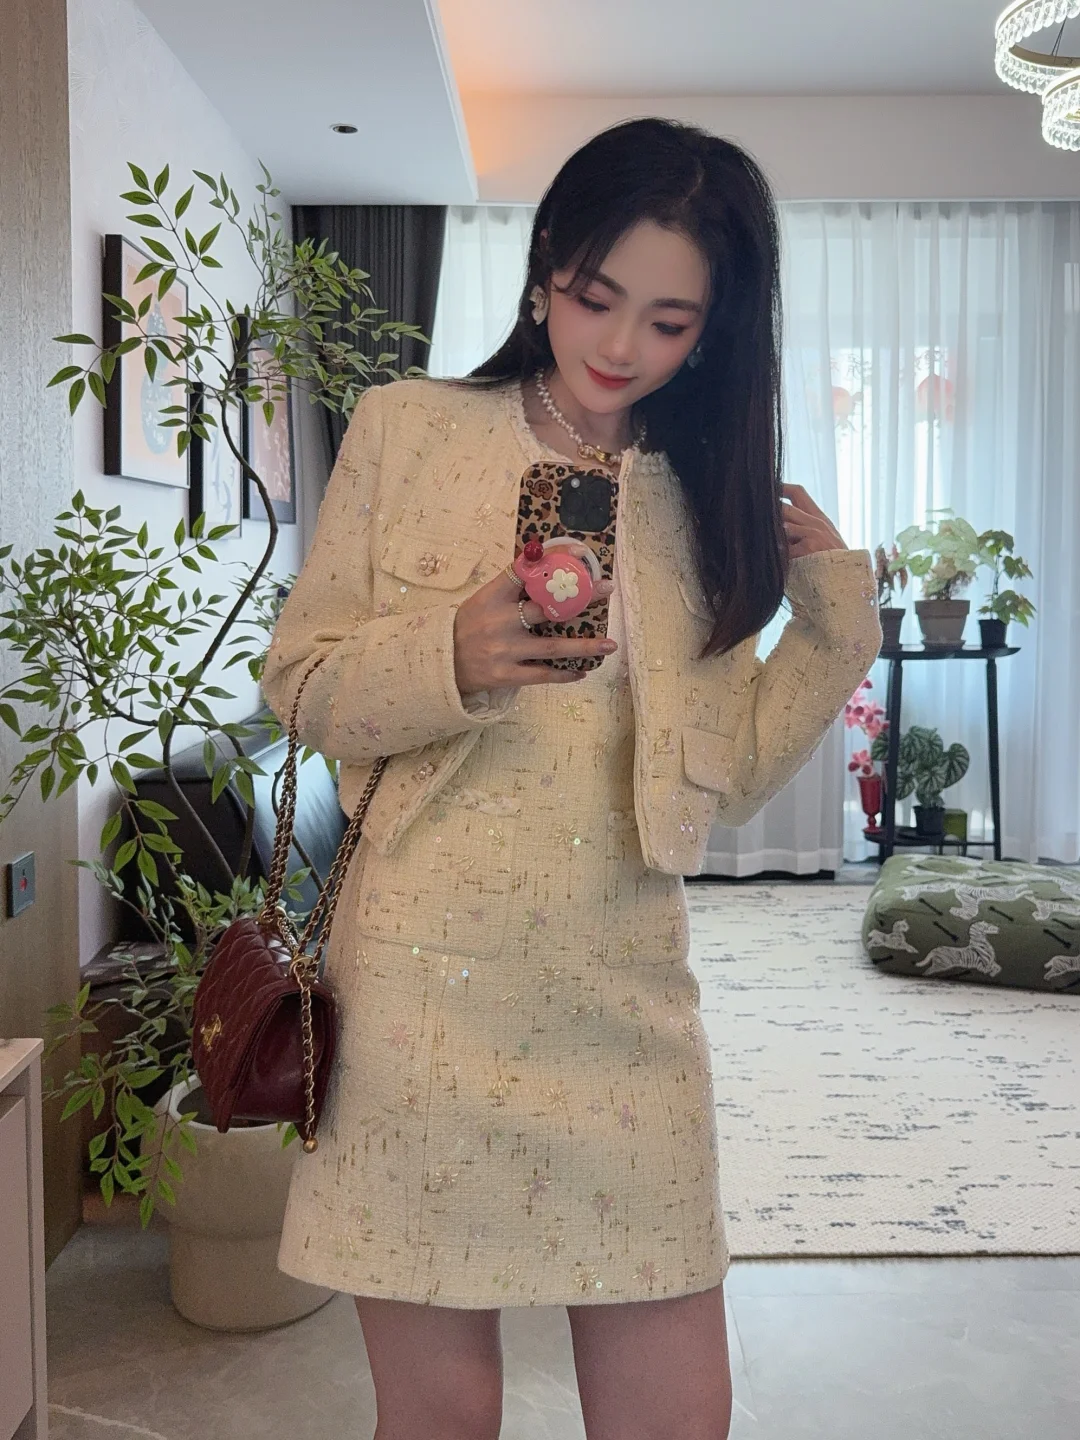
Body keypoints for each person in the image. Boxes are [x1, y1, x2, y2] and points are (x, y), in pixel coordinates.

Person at [262, 116, 882, 1440]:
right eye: (598, 296)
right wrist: (448, 655)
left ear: (713, 331)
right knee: (440, 1418)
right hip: (421, 999)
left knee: (677, 1416)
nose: (619, 345)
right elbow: (301, 686)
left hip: (625, 1000)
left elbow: (726, 780)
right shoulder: (408, 429)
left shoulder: (705, 499)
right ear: (548, 261)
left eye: (668, 321)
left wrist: (836, 621)